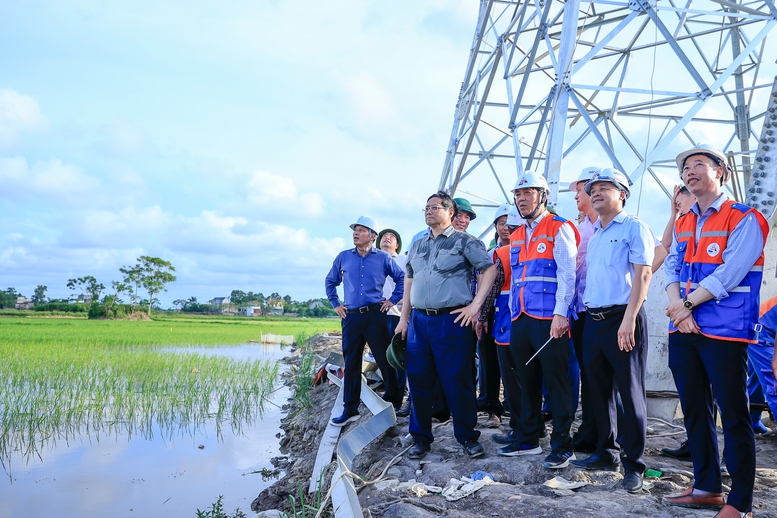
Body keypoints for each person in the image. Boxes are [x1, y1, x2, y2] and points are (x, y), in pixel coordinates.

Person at [662, 144, 768, 518]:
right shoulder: (684, 220)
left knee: (734, 414)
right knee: (694, 409)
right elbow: (672, 268)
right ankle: (706, 486)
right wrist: (679, 310)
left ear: (720, 172)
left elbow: (731, 271)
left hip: (724, 331)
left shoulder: (745, 218)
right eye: (685, 168)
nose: (689, 172)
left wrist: (687, 306)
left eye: (698, 165)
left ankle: (740, 503)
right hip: (685, 329)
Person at [569, 168, 653, 495]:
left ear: (623, 194)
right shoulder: (597, 232)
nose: (597, 193)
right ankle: (607, 453)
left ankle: (634, 465)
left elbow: (644, 274)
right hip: (594, 319)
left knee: (630, 394)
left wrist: (630, 318)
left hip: (623, 317)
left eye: (605, 187)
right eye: (593, 189)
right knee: (597, 390)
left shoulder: (634, 228)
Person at [395, 190, 496, 459]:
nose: (429, 211)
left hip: (451, 320)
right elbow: (409, 282)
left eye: (435, 207)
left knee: (458, 379)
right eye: (426, 208)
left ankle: (467, 437)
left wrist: (474, 307)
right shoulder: (417, 245)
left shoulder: (465, 242)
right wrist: (404, 319)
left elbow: (490, 270)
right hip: (419, 321)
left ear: (450, 212)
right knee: (418, 380)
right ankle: (420, 438)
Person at [494, 171, 579, 470]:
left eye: (528, 193)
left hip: (548, 318)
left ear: (543, 196)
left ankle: (562, 445)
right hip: (521, 317)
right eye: (518, 194)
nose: (521, 199)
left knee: (557, 383)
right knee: (525, 381)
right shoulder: (516, 234)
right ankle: (528, 438)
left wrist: (560, 314)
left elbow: (568, 273)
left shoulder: (559, 227)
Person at [324, 216, 405, 426]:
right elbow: (330, 281)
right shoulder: (343, 257)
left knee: (384, 358)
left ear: (372, 236)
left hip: (375, 314)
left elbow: (402, 278)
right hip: (350, 317)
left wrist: (392, 300)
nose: (355, 233)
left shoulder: (383, 258)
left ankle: (394, 400)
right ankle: (350, 408)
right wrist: (335, 304)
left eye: (360, 230)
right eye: (354, 230)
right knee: (351, 362)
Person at [568, 166, 601, 454]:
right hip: (580, 312)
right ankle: (590, 430)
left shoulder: (618, 225)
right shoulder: (579, 229)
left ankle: (608, 436)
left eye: (579, 189)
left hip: (604, 312)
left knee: (604, 378)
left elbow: (654, 255)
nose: (576, 195)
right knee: (589, 376)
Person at [475, 204, 511, 429]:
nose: (505, 227)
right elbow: (484, 288)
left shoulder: (524, 249)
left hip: (514, 314)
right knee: (488, 363)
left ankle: (511, 405)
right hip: (491, 313)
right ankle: (492, 409)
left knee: (514, 363)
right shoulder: (489, 255)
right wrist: (482, 315)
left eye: (509, 222)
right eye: (501, 223)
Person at [377, 228, 409, 414]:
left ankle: (399, 394)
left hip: (397, 313)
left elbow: (410, 282)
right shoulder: (373, 260)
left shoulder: (403, 261)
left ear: (397, 244)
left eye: (392, 237)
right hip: (378, 313)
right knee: (382, 354)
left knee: (397, 354)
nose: (387, 239)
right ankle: (390, 392)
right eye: (384, 237)